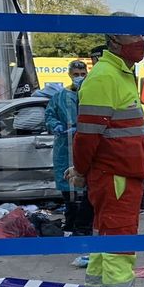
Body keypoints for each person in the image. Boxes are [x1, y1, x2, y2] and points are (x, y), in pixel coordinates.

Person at [67, 14, 144, 287]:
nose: (139, 40)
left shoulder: (119, 75)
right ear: (112, 41)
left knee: (102, 254)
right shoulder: (105, 78)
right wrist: (80, 170)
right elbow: (86, 137)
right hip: (116, 179)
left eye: (140, 33)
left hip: (118, 178)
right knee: (121, 254)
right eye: (132, 35)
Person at [46, 60, 93, 236]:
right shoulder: (60, 97)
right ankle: (72, 222)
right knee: (68, 187)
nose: (79, 78)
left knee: (86, 188)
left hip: (85, 144)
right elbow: (49, 114)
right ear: (69, 74)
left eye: (82, 74)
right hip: (65, 146)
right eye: (76, 74)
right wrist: (56, 125)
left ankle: (82, 225)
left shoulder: (91, 94)